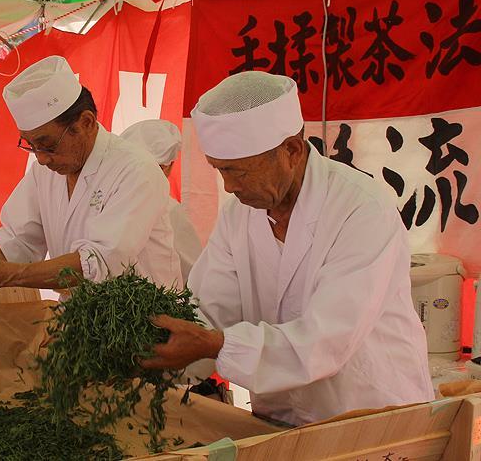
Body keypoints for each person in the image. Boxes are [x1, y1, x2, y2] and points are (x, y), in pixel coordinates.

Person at [140, 71, 434, 425]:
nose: (229, 186)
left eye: (239, 172)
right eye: (219, 171)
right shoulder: (238, 216)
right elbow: (207, 310)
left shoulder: (360, 209)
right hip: (279, 419)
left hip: (373, 416)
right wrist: (154, 350)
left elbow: (325, 340)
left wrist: (215, 344)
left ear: (291, 150)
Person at [0, 56, 181, 302]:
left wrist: (6, 275)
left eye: (47, 144)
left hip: (141, 318)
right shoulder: (44, 173)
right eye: (31, 145)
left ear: (86, 122)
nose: (41, 159)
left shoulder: (137, 170)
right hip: (79, 314)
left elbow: (98, 263)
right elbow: (19, 242)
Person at [121, 119, 202, 280]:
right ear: (167, 167)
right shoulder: (169, 208)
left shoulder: (110, 200)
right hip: (157, 293)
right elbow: (196, 272)